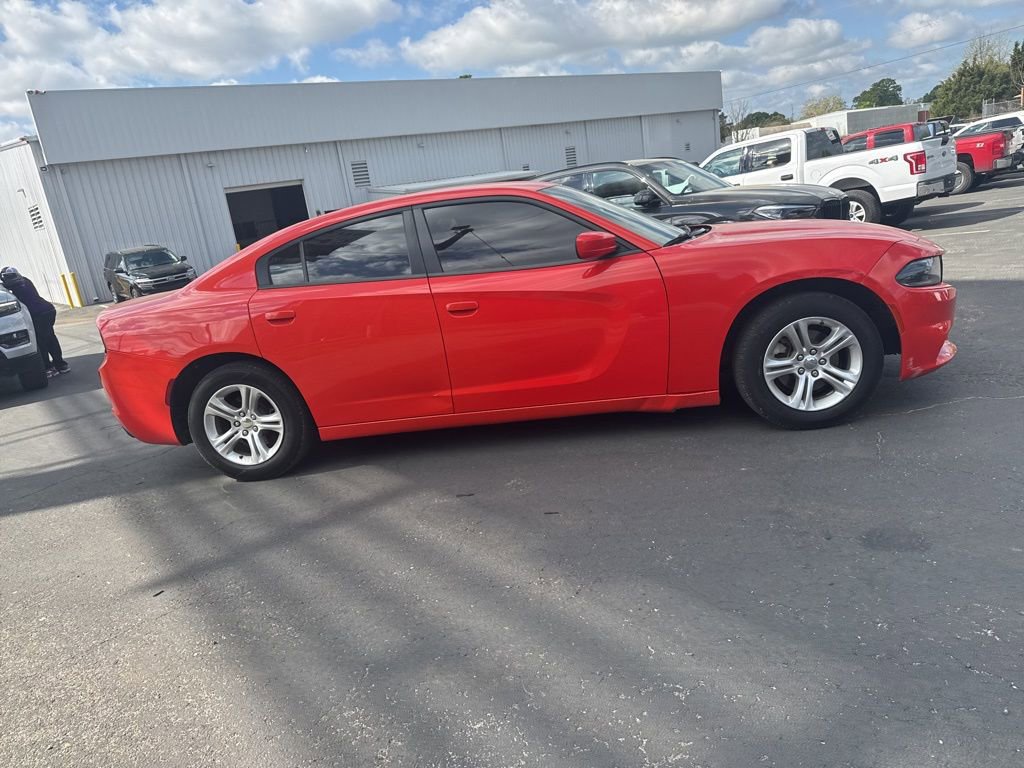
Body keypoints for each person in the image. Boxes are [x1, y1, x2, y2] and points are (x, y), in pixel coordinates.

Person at [0, 266, 68, 374]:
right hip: (47, 310)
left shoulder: (12, 286)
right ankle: (60, 365)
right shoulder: (25, 280)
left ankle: (50, 367)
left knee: (41, 341)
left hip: (38, 314)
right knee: (50, 337)